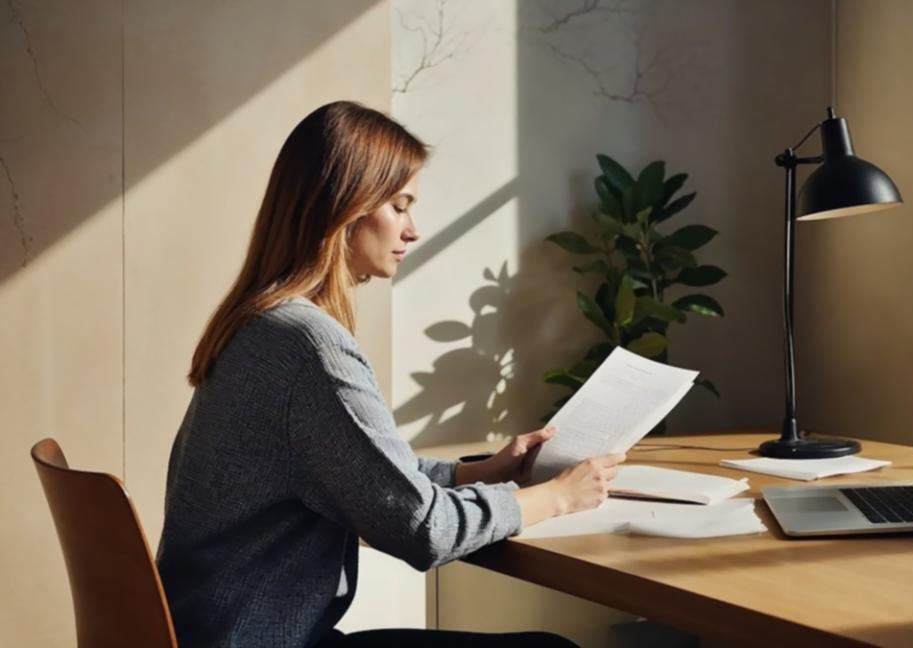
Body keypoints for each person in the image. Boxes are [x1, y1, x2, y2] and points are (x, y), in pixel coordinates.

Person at [157, 101, 625, 647]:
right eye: (400, 206)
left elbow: (367, 475)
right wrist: (559, 497)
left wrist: (482, 472)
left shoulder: (260, 324)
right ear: (346, 207)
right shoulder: (308, 347)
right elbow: (423, 531)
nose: (413, 230)